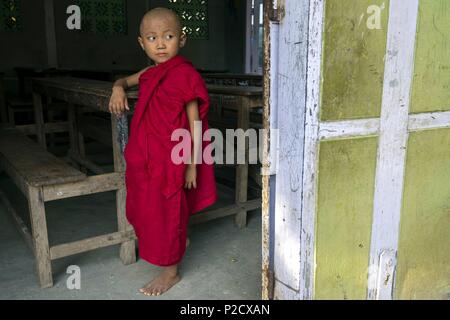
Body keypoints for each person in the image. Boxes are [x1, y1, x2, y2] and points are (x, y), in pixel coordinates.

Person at [108, 7, 217, 296]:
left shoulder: (184, 74)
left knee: (169, 210)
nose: (160, 43)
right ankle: (176, 241)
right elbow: (123, 81)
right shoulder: (148, 73)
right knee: (147, 208)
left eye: (168, 36)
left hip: (173, 159)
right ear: (141, 42)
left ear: (181, 40)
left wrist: (192, 164)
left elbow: (195, 124)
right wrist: (117, 89)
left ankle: (170, 273)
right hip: (145, 159)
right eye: (152, 37)